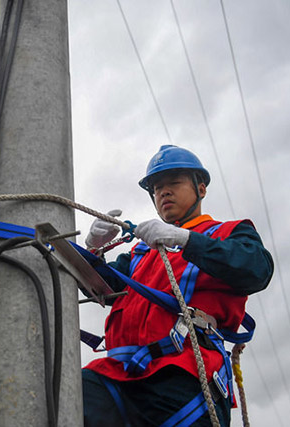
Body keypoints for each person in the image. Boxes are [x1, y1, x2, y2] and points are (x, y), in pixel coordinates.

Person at [81, 145, 273, 426]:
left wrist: (185, 240)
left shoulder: (227, 234)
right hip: (121, 376)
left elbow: (257, 269)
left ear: (201, 189)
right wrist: (93, 251)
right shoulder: (140, 253)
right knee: (68, 395)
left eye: (174, 183)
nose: (163, 192)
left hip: (185, 378)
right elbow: (102, 287)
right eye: (157, 188)